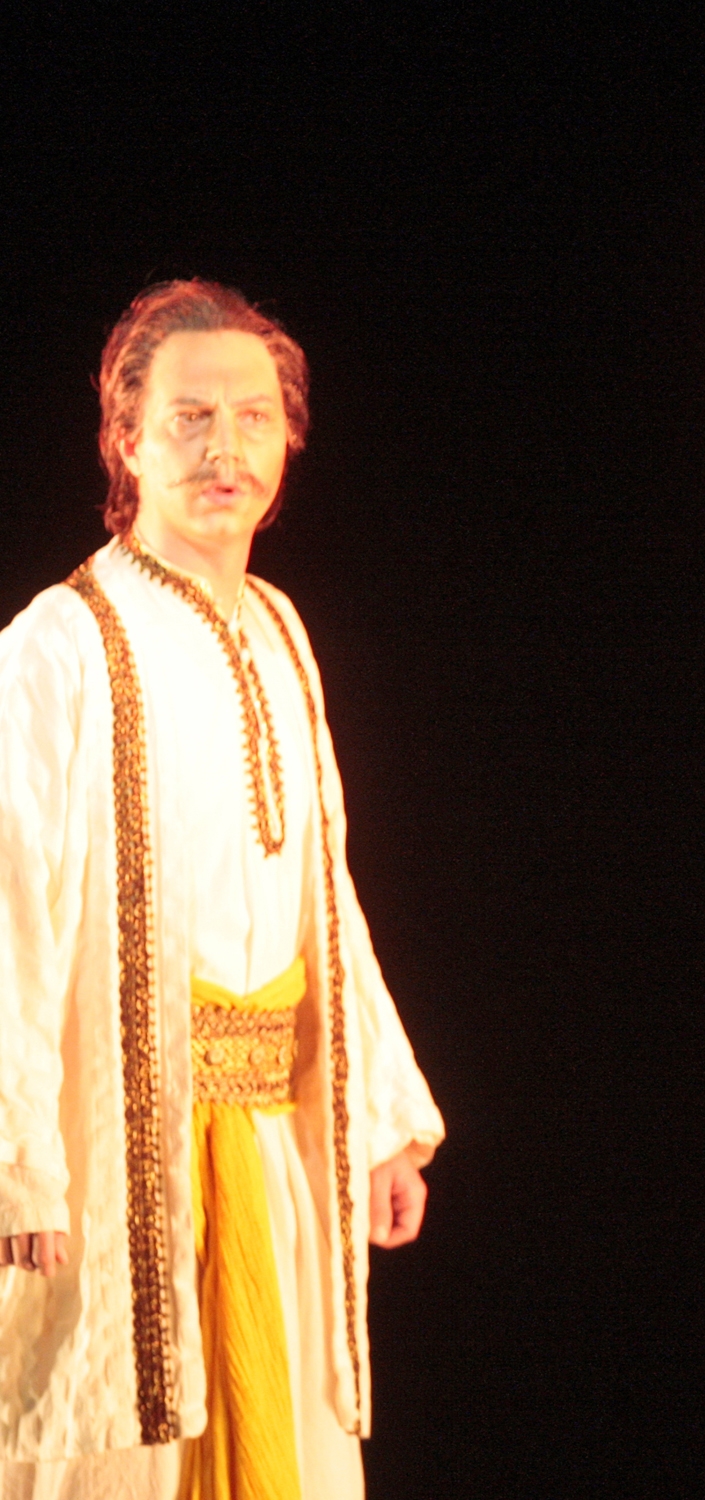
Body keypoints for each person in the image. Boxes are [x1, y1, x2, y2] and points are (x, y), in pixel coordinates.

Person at [0, 281, 445, 1499]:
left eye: (252, 419)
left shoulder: (281, 632)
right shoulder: (58, 644)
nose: (222, 449)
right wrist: (16, 1161)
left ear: (287, 443)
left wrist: (378, 1125)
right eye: (189, 417)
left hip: (266, 1152)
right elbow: (10, 913)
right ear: (125, 438)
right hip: (112, 1155)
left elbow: (320, 886)